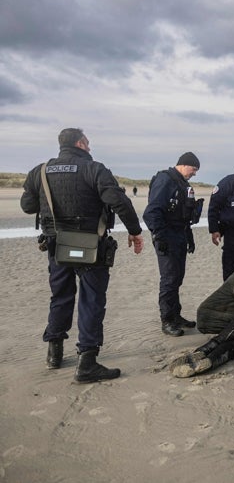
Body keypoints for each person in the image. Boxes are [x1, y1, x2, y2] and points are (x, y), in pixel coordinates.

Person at [20, 128, 144, 383]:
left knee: (61, 296)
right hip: (90, 245)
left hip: (57, 245)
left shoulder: (40, 171)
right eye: (88, 143)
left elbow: (27, 206)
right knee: (91, 300)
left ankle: (54, 353)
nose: (90, 147)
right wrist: (135, 231)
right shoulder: (94, 169)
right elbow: (119, 201)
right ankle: (86, 361)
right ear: (80, 143)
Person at [143, 152, 202, 336]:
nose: (194, 174)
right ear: (184, 164)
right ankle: (167, 320)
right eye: (193, 169)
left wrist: (189, 239)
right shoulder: (165, 180)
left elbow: (184, 216)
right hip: (167, 236)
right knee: (169, 279)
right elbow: (151, 212)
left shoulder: (183, 184)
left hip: (180, 235)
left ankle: (176, 316)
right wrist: (160, 237)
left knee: (177, 277)